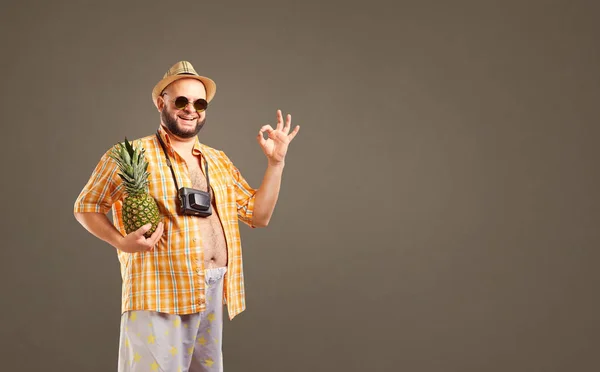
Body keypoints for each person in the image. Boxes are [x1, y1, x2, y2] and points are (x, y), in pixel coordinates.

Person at [73, 60, 300, 372]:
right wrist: (121, 242)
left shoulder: (217, 160)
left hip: (212, 292)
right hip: (158, 292)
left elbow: (258, 216)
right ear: (161, 102)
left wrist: (276, 163)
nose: (190, 109)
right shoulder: (130, 154)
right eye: (181, 100)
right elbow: (86, 206)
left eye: (199, 102)